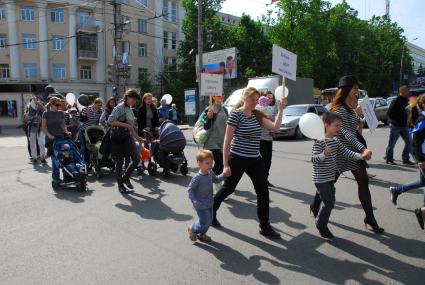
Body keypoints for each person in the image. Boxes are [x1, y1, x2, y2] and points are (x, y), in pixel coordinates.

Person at [311, 75, 384, 233]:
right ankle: (315, 205)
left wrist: (364, 120)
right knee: (328, 182)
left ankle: (370, 218)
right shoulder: (338, 111)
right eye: (355, 89)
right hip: (338, 152)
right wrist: (362, 150)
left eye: (357, 89)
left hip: (350, 152)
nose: (357, 92)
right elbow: (346, 134)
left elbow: (356, 127)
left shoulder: (350, 109)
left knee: (363, 182)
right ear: (346, 90)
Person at [212, 87, 287, 239]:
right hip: (238, 157)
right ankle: (210, 211)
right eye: (252, 99)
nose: (255, 103)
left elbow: (276, 128)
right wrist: (226, 164)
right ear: (245, 98)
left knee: (263, 192)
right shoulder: (236, 114)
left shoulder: (257, 115)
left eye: (256, 100)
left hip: (255, 158)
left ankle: (265, 226)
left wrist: (280, 109)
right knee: (228, 188)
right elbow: (227, 141)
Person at [311, 112, 369, 239]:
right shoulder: (319, 142)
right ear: (326, 125)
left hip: (330, 177)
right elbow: (314, 159)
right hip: (320, 179)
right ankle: (321, 224)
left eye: (340, 126)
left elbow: (347, 152)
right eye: (336, 125)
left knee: (330, 201)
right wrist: (324, 154)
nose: (339, 128)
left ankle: (319, 216)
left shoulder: (336, 141)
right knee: (329, 202)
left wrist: (361, 155)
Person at [390, 93, 425, 208]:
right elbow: (416, 143)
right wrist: (420, 159)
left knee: (423, 182)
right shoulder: (422, 120)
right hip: (422, 156)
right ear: (424, 105)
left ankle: (397, 190)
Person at [107, 89, 143, 194]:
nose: (134, 102)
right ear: (127, 97)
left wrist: (137, 137)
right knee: (119, 162)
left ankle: (126, 177)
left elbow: (131, 127)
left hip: (127, 137)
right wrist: (126, 125)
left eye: (136, 100)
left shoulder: (130, 109)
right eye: (133, 99)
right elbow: (110, 121)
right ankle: (120, 185)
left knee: (136, 159)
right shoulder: (119, 107)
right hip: (117, 138)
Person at [187, 149, 226, 242]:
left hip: (209, 202)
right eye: (207, 163)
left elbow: (216, 179)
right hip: (200, 204)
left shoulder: (210, 173)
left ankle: (202, 234)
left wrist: (224, 175)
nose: (210, 165)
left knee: (209, 220)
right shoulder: (197, 178)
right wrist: (195, 201)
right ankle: (193, 229)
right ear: (199, 164)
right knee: (205, 220)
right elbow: (190, 190)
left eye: (211, 163)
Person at [41, 97, 71, 183]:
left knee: (66, 155)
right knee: (55, 158)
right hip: (51, 139)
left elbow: (63, 124)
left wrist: (66, 131)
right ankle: (56, 178)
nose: (59, 106)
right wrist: (49, 135)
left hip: (60, 138)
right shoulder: (46, 113)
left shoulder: (61, 113)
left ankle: (68, 175)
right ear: (51, 104)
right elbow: (43, 127)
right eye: (57, 105)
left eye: (60, 105)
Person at [203, 96, 228, 191]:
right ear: (213, 96)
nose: (222, 96)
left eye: (222, 94)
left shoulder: (224, 109)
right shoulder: (209, 109)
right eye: (219, 94)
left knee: (216, 165)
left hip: (222, 141)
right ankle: (218, 189)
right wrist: (209, 118)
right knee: (220, 163)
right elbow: (205, 127)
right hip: (211, 141)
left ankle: (205, 180)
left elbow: (228, 125)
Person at [385, 86, 414, 165]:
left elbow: (409, 111)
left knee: (409, 142)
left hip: (404, 126)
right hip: (396, 125)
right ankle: (389, 159)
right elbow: (389, 113)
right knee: (392, 144)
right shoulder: (395, 100)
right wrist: (395, 120)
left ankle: (405, 159)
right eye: (407, 91)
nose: (408, 92)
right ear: (401, 91)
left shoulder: (407, 100)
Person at [256, 95, 276, 187]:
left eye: (267, 101)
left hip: (269, 137)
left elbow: (273, 121)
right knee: (265, 159)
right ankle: (262, 179)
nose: (266, 103)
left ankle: (265, 178)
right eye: (265, 101)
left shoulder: (270, 109)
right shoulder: (256, 110)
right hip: (260, 138)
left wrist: (273, 130)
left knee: (269, 160)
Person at [26, 96, 46, 164]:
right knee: (32, 143)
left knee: (42, 143)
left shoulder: (41, 106)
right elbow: (26, 118)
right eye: (34, 100)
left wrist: (40, 106)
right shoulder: (29, 108)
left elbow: (45, 112)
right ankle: (34, 157)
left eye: (37, 99)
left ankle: (42, 157)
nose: (36, 101)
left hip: (40, 128)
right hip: (32, 128)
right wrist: (33, 117)